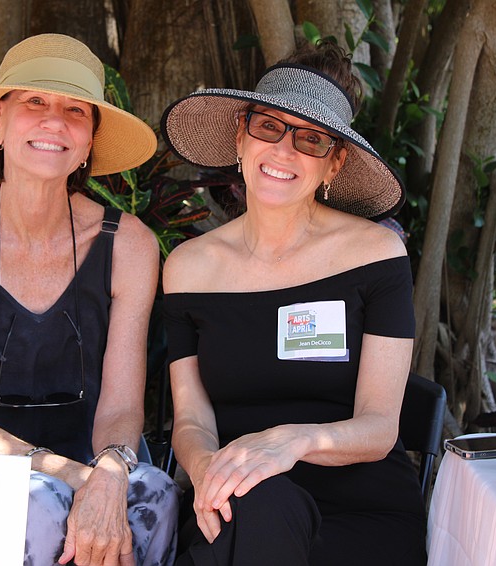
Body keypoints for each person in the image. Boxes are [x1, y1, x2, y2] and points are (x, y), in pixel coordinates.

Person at [0, 34, 180, 566]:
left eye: (75, 110)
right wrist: (84, 482)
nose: (55, 121)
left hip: (101, 451)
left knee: (156, 499)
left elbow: (121, 408)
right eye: (34, 102)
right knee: (40, 508)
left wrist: (110, 473)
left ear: (90, 140)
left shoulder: (130, 243)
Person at [159, 41, 427, 565]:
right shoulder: (189, 267)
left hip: (360, 510)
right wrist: (209, 469)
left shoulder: (374, 253)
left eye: (310, 139)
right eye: (268, 127)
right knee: (260, 505)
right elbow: (191, 418)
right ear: (241, 136)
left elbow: (379, 426)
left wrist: (290, 442)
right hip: (235, 496)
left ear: (335, 162)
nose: (283, 150)